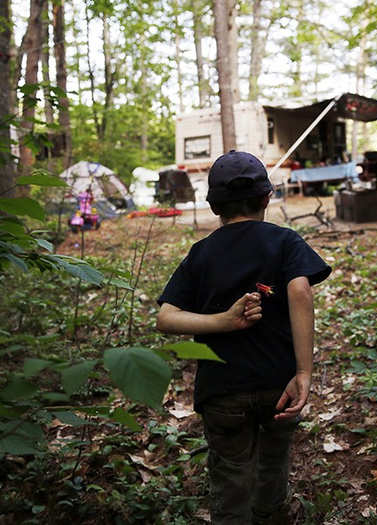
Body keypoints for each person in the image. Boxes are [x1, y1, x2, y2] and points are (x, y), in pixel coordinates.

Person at [156, 150, 331, 524]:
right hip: (278, 384)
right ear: (267, 197)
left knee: (231, 475)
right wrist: (304, 373)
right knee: (273, 461)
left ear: (214, 205)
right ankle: (270, 514)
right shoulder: (285, 241)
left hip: (223, 390)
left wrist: (221, 321)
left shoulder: (201, 253)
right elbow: (300, 291)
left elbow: (166, 317)